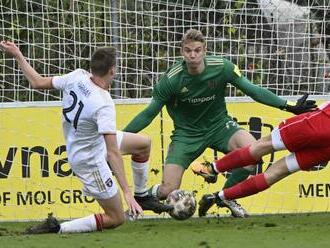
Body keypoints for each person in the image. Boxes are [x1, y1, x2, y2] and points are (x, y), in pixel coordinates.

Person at [123, 29, 316, 218]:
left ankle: (226, 197)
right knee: (168, 190)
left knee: (252, 153)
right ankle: (141, 200)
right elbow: (149, 113)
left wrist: (289, 106)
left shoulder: (222, 67)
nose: (193, 55)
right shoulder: (171, 80)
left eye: (197, 50)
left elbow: (253, 90)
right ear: (181, 52)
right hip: (186, 135)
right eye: (188, 50)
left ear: (204, 51)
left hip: (220, 126)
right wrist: (119, 138)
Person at [0, 40, 171, 234]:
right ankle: (57, 227)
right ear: (112, 71)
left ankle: (143, 196)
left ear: (92, 67)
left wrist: (17, 55)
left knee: (143, 144)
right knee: (116, 218)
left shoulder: (77, 76)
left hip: (92, 141)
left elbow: (37, 82)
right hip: (89, 159)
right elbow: (113, 152)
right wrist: (126, 193)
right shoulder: (103, 104)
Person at [192, 99, 327, 216]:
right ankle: (220, 197)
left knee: (260, 147)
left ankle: (211, 169)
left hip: (322, 123)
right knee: (276, 173)